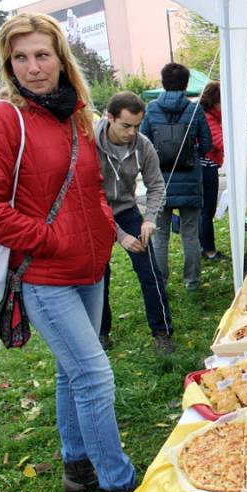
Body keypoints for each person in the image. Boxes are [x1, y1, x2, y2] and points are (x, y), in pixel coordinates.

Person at [0, 13, 137, 492]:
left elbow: (91, 188)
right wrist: (46, 239)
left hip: (89, 270)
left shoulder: (77, 116)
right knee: (94, 376)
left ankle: (77, 466)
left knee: (72, 374)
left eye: (42, 55)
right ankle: (121, 484)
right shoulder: (3, 119)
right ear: (8, 64)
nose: (32, 67)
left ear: (61, 58)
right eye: (19, 58)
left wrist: (105, 228)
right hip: (44, 274)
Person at [96, 91, 175, 354]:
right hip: (96, 212)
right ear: (110, 117)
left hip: (127, 209)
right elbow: (87, 196)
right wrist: (119, 235)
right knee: (98, 276)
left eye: (137, 126)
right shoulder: (89, 145)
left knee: (150, 271)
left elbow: (156, 185)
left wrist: (149, 219)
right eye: (125, 126)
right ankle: (100, 332)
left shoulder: (143, 145)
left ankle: (162, 332)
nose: (131, 132)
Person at [140, 62, 212, 292]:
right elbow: (207, 144)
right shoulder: (194, 110)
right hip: (190, 179)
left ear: (162, 82)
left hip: (160, 180)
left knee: (160, 237)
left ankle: (161, 282)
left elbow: (143, 142)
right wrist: (191, 155)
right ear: (186, 83)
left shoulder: (151, 109)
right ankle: (192, 282)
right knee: (190, 235)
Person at [199, 81, 226, 262]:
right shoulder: (208, 118)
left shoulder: (209, 116)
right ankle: (208, 250)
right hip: (206, 167)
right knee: (206, 211)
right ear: (214, 102)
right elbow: (221, 142)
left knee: (204, 211)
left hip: (206, 166)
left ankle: (205, 246)